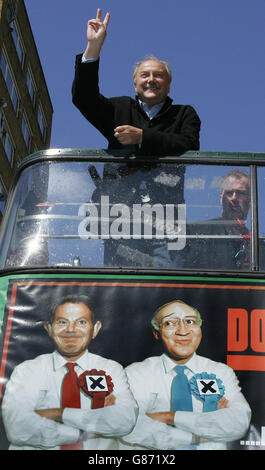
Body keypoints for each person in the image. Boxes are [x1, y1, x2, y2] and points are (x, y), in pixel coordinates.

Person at [72, 9, 201, 268]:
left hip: (166, 220)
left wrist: (143, 137)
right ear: (135, 84)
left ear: (168, 85)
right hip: (121, 220)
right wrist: (93, 47)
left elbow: (188, 145)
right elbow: (83, 98)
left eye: (158, 75)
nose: (151, 80)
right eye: (145, 75)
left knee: (165, 290)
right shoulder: (119, 109)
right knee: (120, 292)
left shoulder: (184, 113)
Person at [2, 294, 137, 450]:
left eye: (81, 322)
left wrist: (58, 413)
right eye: (62, 322)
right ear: (49, 328)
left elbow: (124, 422)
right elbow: (17, 428)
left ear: (95, 329)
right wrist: (84, 432)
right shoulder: (27, 370)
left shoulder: (111, 369)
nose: (71, 330)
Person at [119, 300, 251, 450]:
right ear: (156, 332)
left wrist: (169, 417)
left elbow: (239, 422)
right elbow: (128, 426)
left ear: (199, 328)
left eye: (190, 321)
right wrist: (196, 437)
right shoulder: (136, 373)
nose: (183, 330)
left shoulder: (221, 372)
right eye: (170, 323)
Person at [184, 169, 251, 270]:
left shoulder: (258, 243)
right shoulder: (197, 232)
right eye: (229, 193)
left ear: (250, 200)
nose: (234, 198)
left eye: (240, 193)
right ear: (221, 199)